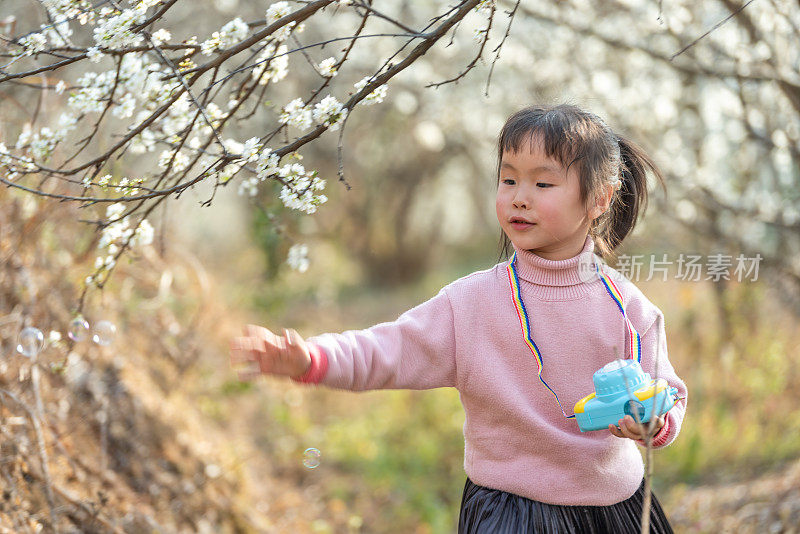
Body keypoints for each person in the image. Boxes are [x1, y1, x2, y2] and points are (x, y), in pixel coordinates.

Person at [229, 103, 688, 533]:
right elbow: (387, 349)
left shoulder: (629, 308)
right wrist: (311, 358)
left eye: (542, 185)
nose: (519, 199)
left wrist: (654, 424)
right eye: (508, 181)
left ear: (600, 199)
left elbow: (665, 393)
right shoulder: (471, 303)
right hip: (509, 511)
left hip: (616, 509)